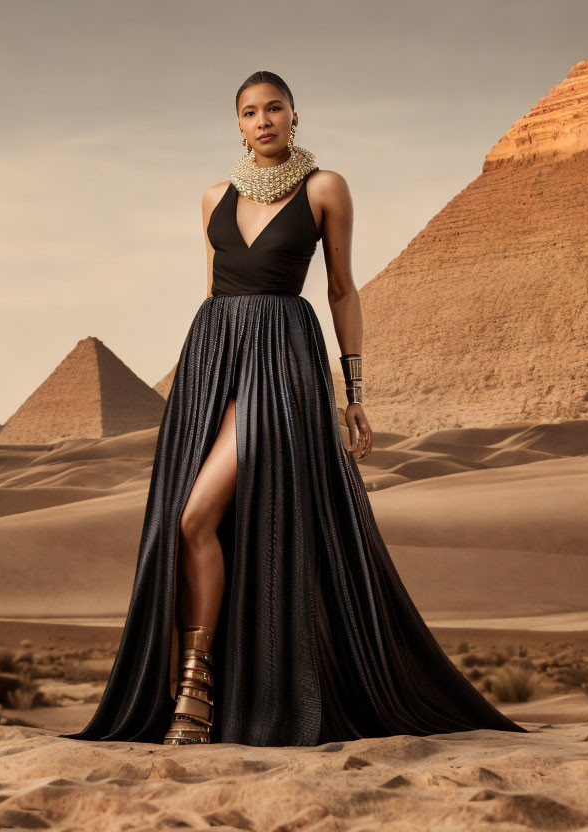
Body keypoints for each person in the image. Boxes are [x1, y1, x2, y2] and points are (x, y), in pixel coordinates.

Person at [60, 70, 529, 746]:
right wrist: (205, 375)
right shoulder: (212, 198)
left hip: (283, 368)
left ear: (294, 115)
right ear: (238, 124)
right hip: (213, 363)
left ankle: (198, 691)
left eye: (273, 108)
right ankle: (195, 680)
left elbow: (341, 290)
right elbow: (222, 292)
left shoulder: (324, 188)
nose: (262, 121)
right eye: (249, 112)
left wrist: (355, 393)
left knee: (198, 514)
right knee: (193, 523)